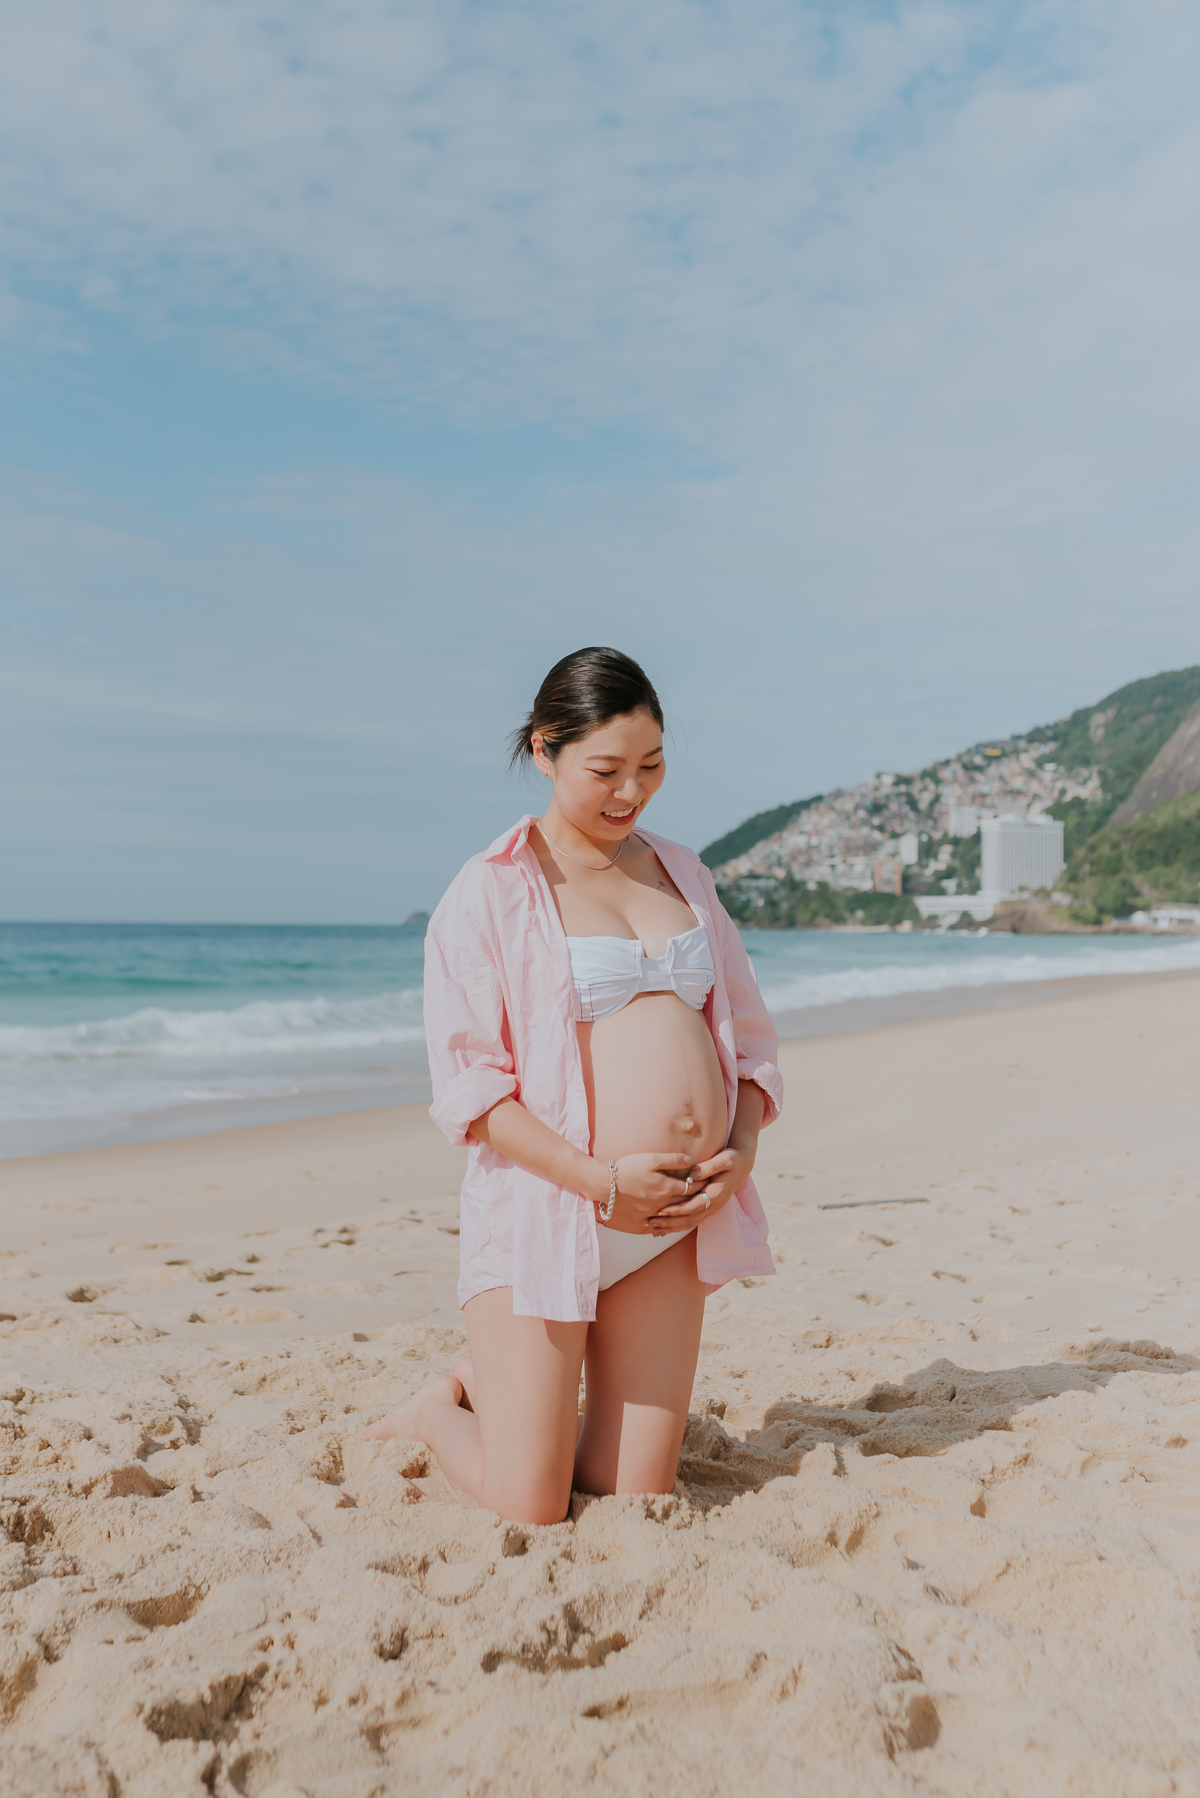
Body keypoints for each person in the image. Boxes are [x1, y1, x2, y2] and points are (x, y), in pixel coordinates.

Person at [364, 647, 782, 1523]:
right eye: (606, 770)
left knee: (634, 1493)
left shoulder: (684, 873)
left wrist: (740, 1151)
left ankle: (517, 1392)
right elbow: (474, 1092)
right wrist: (602, 1184)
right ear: (546, 751)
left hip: (670, 1222)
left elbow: (747, 1039)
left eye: (651, 765)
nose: (631, 791)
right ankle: (440, 1410)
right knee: (533, 1503)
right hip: (550, 1215)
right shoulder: (489, 891)